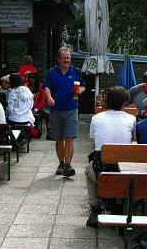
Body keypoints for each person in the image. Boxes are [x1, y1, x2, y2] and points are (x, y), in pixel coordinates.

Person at [85, 86, 137, 227]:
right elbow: (133, 139)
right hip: (123, 171)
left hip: (100, 171)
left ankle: (95, 209)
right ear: (125, 103)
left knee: (88, 169)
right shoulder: (131, 119)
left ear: (107, 101)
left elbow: (94, 140)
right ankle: (118, 205)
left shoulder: (97, 118)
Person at [43, 46, 85, 177]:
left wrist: (80, 91)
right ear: (59, 59)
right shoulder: (51, 72)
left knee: (70, 138)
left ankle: (68, 165)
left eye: (68, 57)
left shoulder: (76, 71)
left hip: (72, 108)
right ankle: (61, 163)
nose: (67, 60)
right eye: (64, 58)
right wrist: (49, 97)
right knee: (59, 139)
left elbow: (83, 86)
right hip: (56, 110)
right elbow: (46, 87)